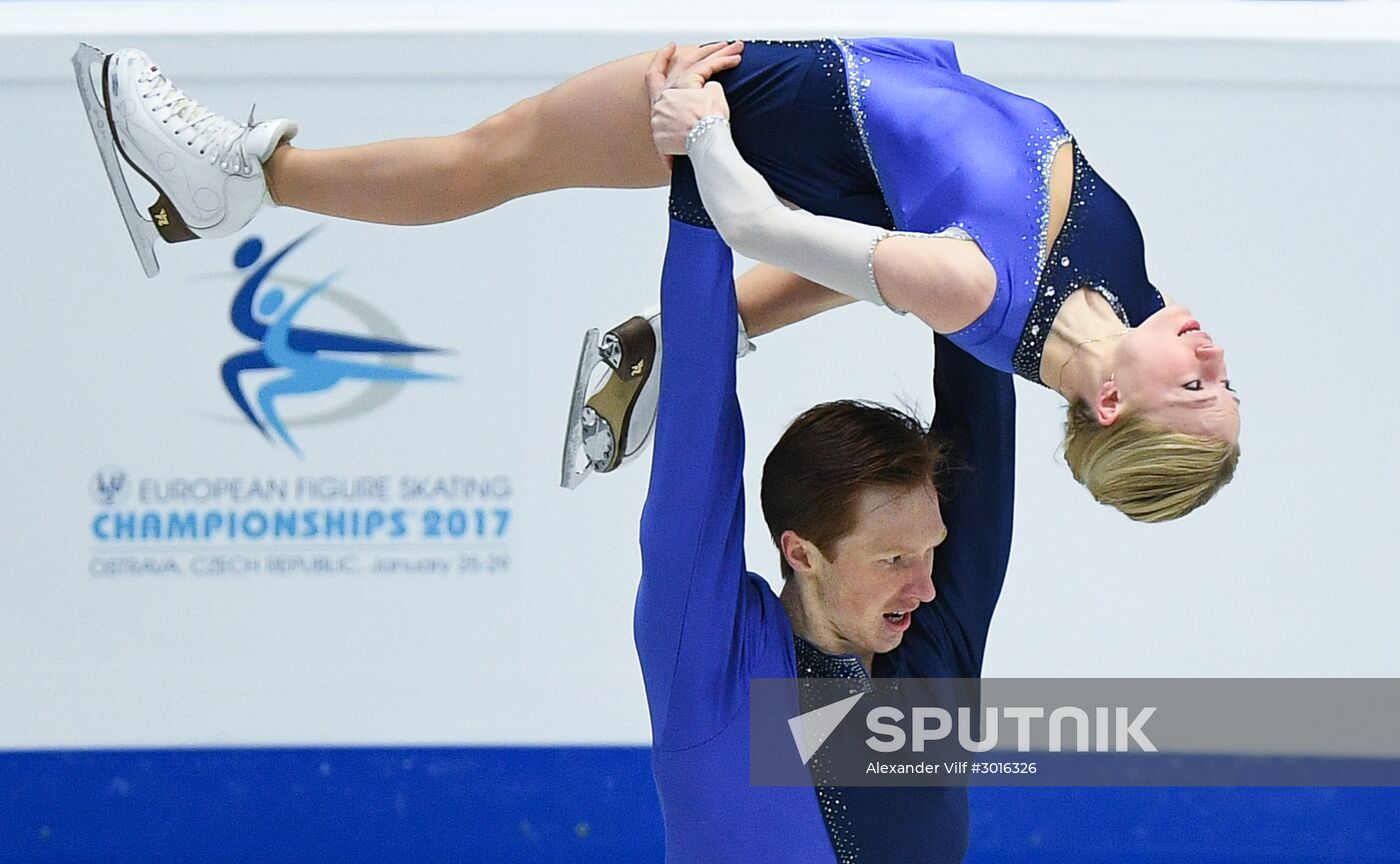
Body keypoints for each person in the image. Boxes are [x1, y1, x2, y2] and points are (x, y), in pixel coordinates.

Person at [75, 38, 1239, 520]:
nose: (1209, 356)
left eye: (1195, 390)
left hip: (773, 106)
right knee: (864, 242)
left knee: (504, 151)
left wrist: (701, 131)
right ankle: (683, 341)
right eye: (1219, 378)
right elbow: (884, 238)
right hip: (875, 80)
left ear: (1105, 404)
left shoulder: (975, 295)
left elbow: (762, 221)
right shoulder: (1125, 299)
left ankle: (244, 180)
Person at [639, 200, 1015, 864]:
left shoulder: (931, 657)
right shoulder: (712, 658)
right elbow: (696, 425)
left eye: (931, 551)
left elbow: (979, 398)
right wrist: (697, 184)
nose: (928, 585)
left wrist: (949, 176)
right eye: (894, 559)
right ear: (801, 552)